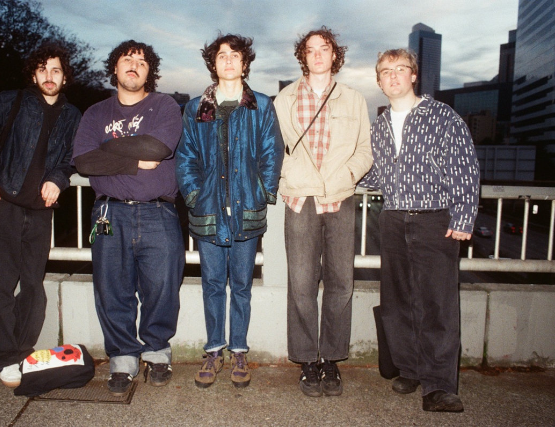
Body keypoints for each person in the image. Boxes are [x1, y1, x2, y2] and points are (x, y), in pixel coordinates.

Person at [360, 48, 480, 412]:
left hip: (434, 219)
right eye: (386, 71)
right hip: (393, 218)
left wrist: (463, 217)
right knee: (398, 301)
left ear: (414, 75)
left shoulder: (442, 116)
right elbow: (377, 174)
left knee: (436, 304)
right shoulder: (380, 124)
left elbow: (464, 166)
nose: (393, 76)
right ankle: (410, 369)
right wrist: (338, 176)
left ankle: (440, 385)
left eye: (401, 69)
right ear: (379, 82)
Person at [0, 42, 81, 387]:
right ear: (33, 74)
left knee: (32, 286)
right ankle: (3, 357)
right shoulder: (10, 101)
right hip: (3, 204)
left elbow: (72, 158)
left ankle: (22, 351)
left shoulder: (73, 115)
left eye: (56, 70)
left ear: (65, 77)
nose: (49, 76)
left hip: (40, 211)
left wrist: (59, 178)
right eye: (42, 69)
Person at [71, 40, 184, 395]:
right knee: (111, 287)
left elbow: (158, 148)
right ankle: (122, 357)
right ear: (115, 68)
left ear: (150, 72)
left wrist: (106, 148)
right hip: (107, 213)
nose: (134, 64)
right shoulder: (95, 113)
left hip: (158, 211)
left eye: (142, 61)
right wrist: (134, 160)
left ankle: (157, 351)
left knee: (162, 287)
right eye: (127, 59)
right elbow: (84, 161)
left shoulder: (164, 106)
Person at [176, 33, 284, 389]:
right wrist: (195, 195)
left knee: (241, 285)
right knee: (211, 284)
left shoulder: (260, 105)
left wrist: (262, 193)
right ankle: (213, 350)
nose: (228, 60)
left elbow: (272, 151)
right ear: (213, 63)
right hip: (208, 212)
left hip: (245, 211)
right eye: (221, 55)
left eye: (235, 55)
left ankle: (238, 349)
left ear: (245, 63)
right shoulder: (197, 107)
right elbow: (186, 156)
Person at [274, 26, 373, 397]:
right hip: (301, 199)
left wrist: (346, 176)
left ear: (335, 55)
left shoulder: (354, 99)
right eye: (310, 49)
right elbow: (273, 149)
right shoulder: (284, 99)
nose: (317, 54)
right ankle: (306, 361)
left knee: (341, 283)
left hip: (340, 198)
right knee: (301, 284)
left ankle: (332, 358)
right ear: (303, 57)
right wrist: (288, 178)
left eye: (324, 48)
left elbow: (364, 150)